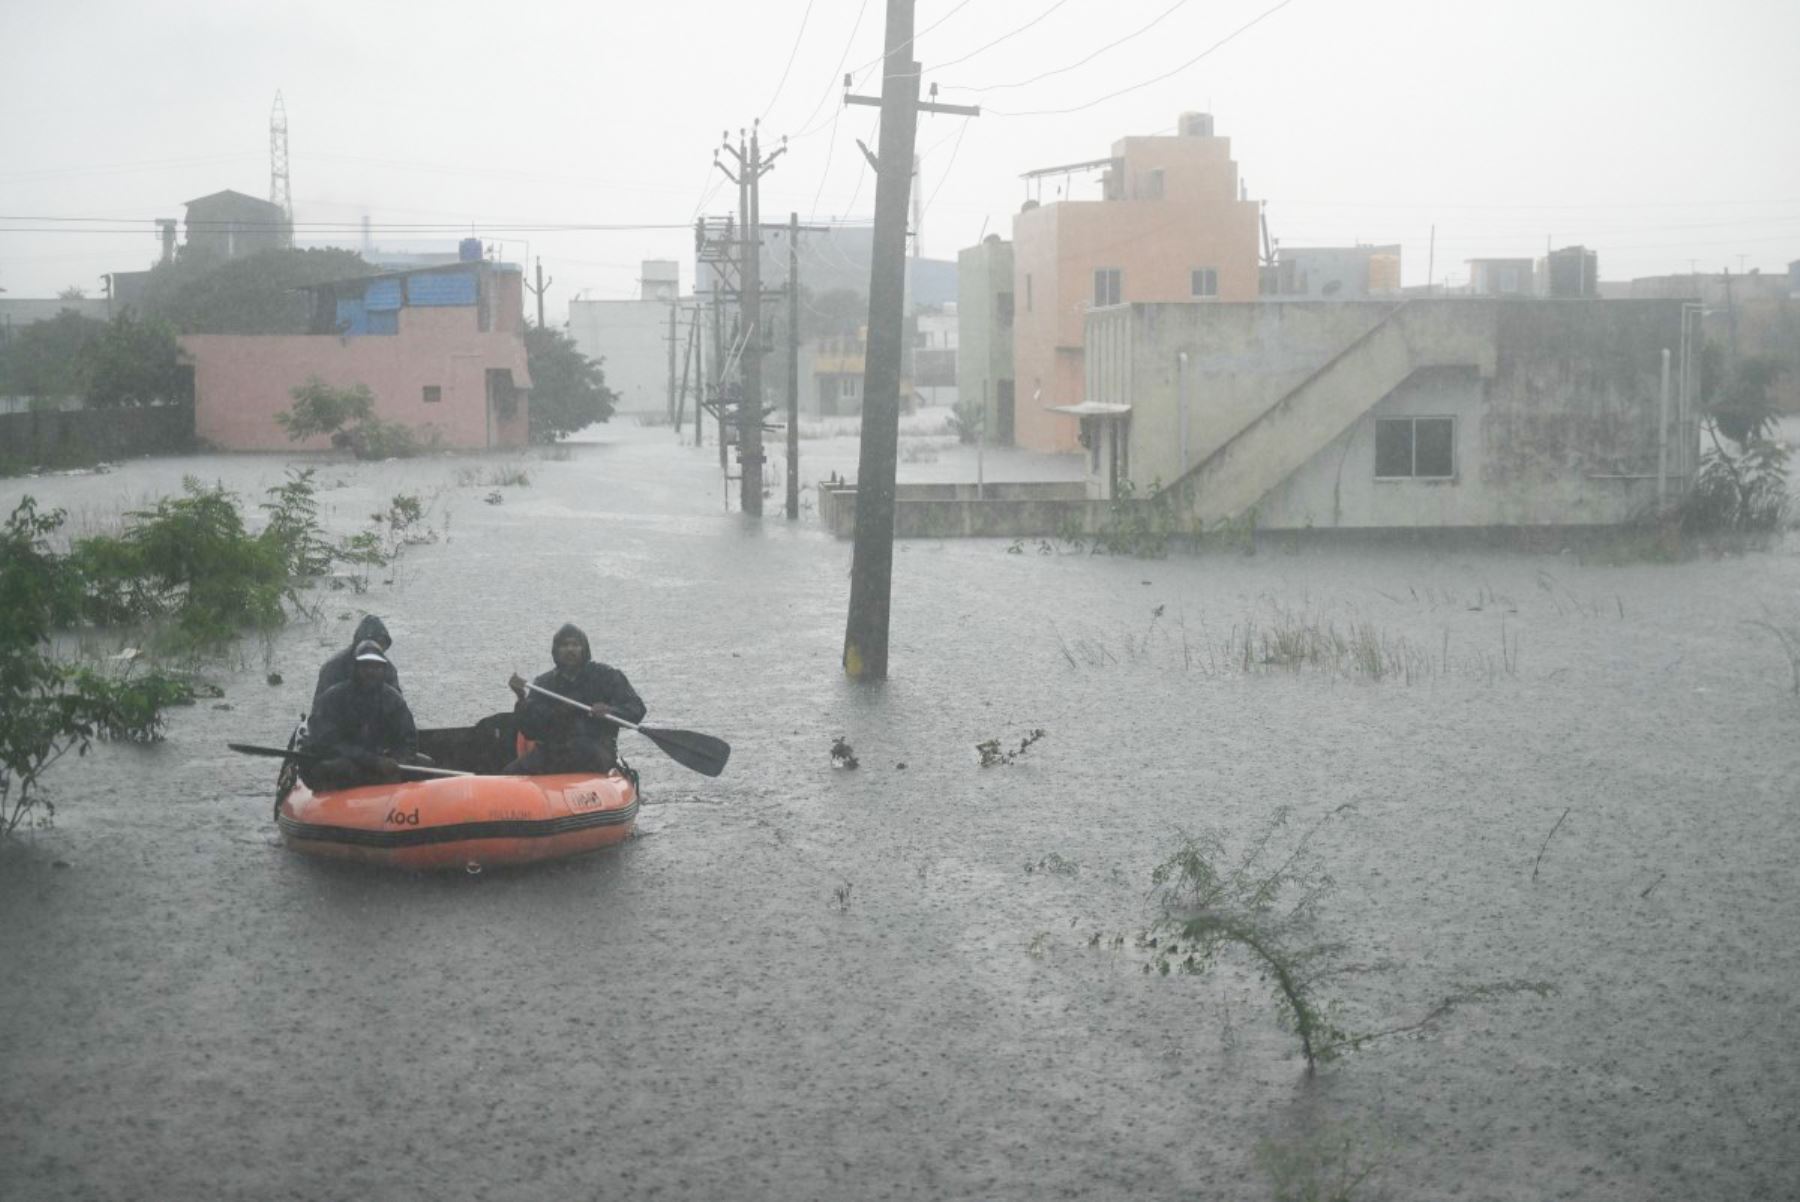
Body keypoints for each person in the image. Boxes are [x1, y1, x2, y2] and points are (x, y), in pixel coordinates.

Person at [504, 623, 645, 775]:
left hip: (596, 750)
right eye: (564, 645)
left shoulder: (607, 676)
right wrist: (521, 698)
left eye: (575, 644)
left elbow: (636, 709)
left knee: (582, 748)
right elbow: (530, 731)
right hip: (553, 752)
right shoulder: (543, 684)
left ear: (584, 649)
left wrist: (611, 711)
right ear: (556, 651)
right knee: (510, 772)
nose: (570, 649)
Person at [301, 640, 419, 791]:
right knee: (338, 768)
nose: (371, 671)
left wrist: (399, 762)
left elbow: (408, 740)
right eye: (366, 666)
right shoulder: (333, 698)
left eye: (376, 667)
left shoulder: (394, 700)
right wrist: (371, 761)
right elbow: (328, 742)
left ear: (383, 670)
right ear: (355, 668)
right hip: (346, 761)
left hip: (382, 762)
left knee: (424, 763)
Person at [312, 614, 400, 718]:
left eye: (381, 645)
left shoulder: (389, 670)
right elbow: (319, 713)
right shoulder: (333, 668)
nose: (376, 649)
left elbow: (398, 711)